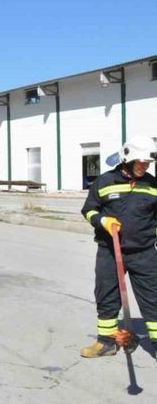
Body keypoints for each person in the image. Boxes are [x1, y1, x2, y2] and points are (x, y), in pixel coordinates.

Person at [80, 135, 157, 358]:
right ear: (127, 160)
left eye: (148, 163)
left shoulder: (153, 185)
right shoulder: (105, 182)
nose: (145, 166)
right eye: (141, 162)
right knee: (107, 295)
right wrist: (102, 221)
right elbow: (89, 209)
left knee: (153, 297)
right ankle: (107, 342)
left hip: (144, 253)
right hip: (109, 252)